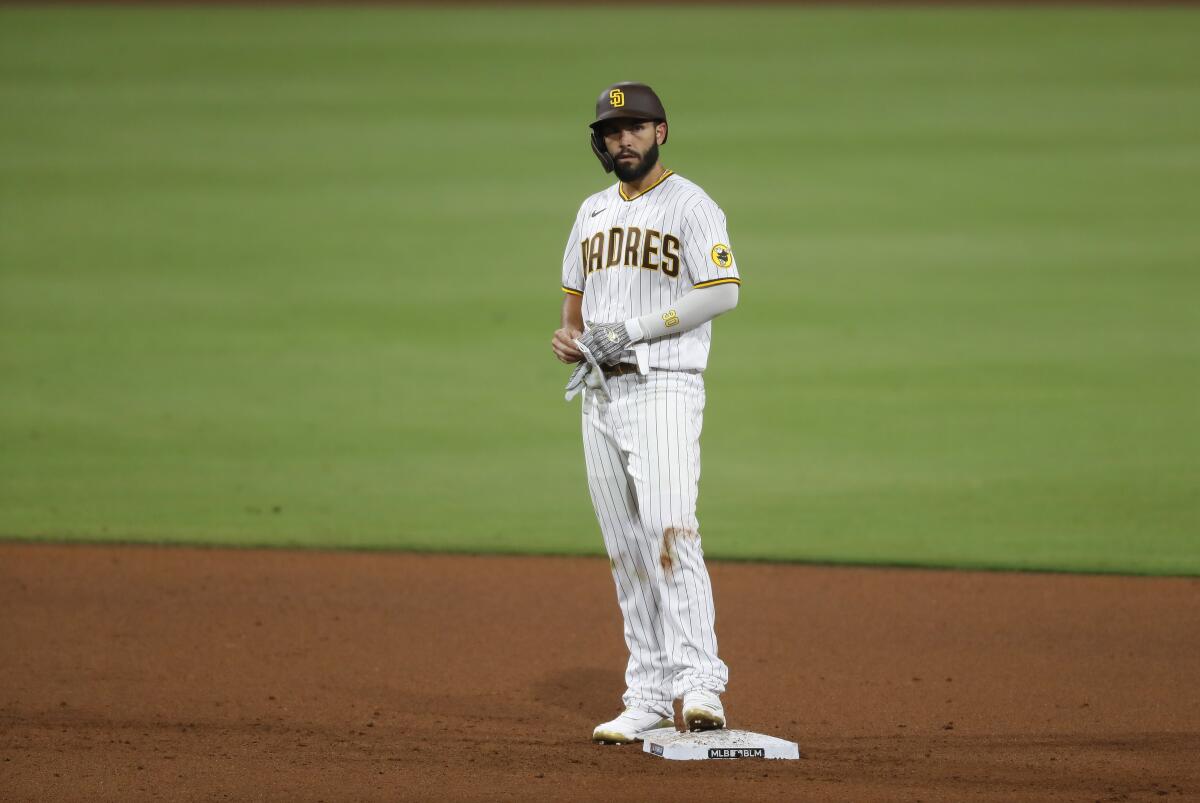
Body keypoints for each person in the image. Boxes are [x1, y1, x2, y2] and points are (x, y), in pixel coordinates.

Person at [551, 82, 741, 745]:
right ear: (599, 142)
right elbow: (573, 312)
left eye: (635, 127)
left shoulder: (692, 205)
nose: (622, 139)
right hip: (600, 393)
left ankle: (700, 681)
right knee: (627, 548)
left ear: (661, 132)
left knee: (667, 529)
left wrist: (629, 329)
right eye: (611, 131)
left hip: (664, 387)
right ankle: (650, 692)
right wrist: (568, 338)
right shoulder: (591, 213)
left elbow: (722, 291)